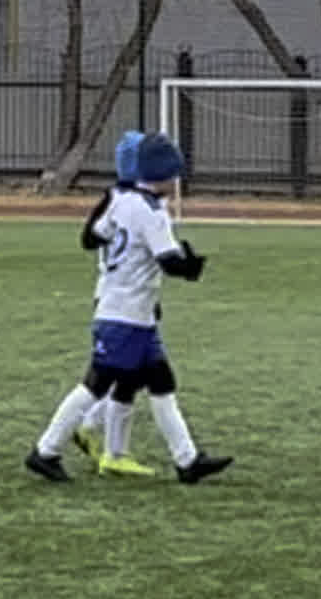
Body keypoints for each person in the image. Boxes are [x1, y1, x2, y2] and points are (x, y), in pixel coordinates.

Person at [25, 133, 231, 485]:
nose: (176, 180)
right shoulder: (151, 211)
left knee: (161, 381)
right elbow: (168, 261)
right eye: (173, 174)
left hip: (123, 307)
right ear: (160, 174)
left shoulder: (120, 199)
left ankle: (187, 460)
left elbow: (94, 237)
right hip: (127, 313)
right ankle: (46, 451)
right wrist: (192, 266)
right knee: (96, 384)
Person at [40, 131, 155, 476]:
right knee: (105, 377)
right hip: (120, 297)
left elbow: (91, 239)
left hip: (125, 295)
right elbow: (91, 239)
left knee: (130, 375)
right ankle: (55, 444)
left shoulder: (119, 198)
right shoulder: (128, 201)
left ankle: (114, 452)